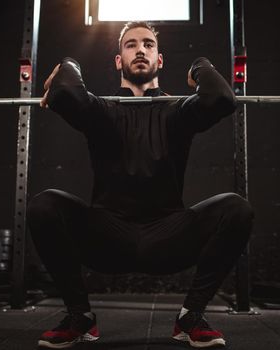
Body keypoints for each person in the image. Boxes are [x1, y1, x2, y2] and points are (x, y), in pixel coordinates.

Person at [28, 21, 254, 349]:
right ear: (119, 60)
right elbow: (64, 92)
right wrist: (69, 65)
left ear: (159, 60)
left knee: (237, 209)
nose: (140, 50)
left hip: (168, 235)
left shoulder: (178, 112)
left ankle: (191, 316)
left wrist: (199, 66)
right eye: (131, 45)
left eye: (148, 44)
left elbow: (221, 97)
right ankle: (80, 316)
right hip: (107, 236)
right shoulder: (100, 111)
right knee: (44, 205)